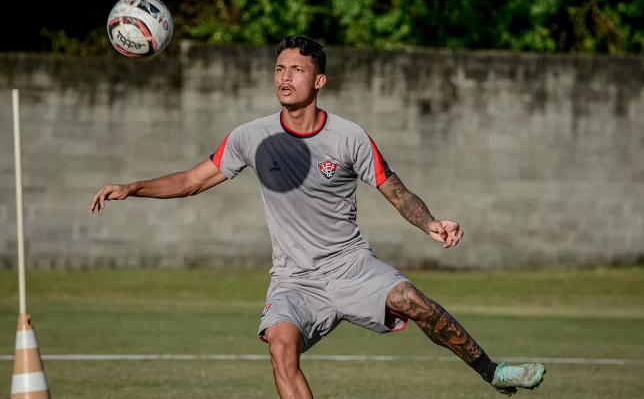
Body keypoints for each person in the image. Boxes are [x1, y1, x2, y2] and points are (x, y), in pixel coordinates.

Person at [90, 35, 546, 398]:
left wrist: (429, 223)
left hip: (350, 264)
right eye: (279, 69)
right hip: (293, 280)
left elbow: (396, 191)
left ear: (320, 80)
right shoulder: (252, 137)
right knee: (280, 348)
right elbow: (191, 180)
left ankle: (494, 372)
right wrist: (133, 188)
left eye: (297, 70)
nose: (285, 78)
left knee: (415, 303)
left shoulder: (349, 138)